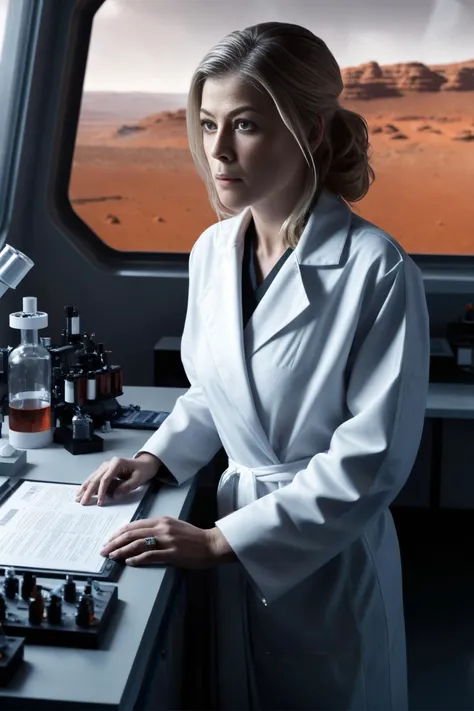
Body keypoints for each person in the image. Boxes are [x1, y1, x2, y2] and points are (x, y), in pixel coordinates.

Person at [76, 21, 430, 711]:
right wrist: (154, 455)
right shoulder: (211, 251)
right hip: (233, 537)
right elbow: (217, 389)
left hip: (323, 560)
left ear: (313, 132)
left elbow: (371, 464)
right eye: (207, 124)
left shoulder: (377, 270)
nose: (216, 151)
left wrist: (218, 540)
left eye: (245, 125)